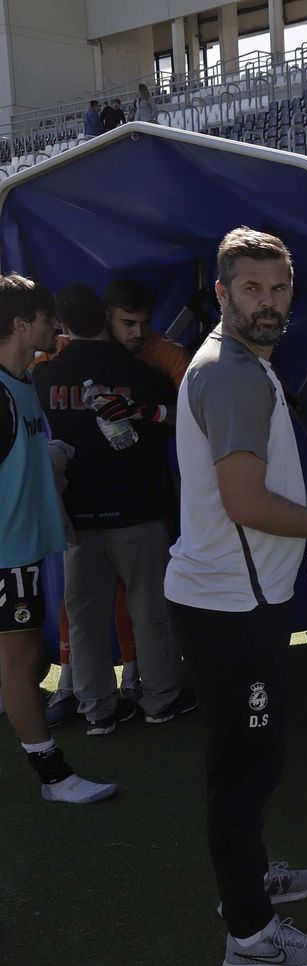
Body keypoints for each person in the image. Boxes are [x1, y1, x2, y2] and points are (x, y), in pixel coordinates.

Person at [165, 228, 307, 966]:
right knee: (246, 766)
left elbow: (257, 487)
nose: (269, 303)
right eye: (252, 289)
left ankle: (246, 881)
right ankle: (249, 937)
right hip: (230, 607)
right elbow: (246, 502)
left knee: (247, 759)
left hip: (230, 598)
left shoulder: (241, 365)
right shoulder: (233, 374)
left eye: (279, 289)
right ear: (222, 293)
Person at [31, 286, 191, 735]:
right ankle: (160, 698)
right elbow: (189, 414)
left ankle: (97, 707)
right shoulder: (138, 370)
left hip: (77, 516)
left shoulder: (43, 376)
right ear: (105, 317)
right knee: (150, 609)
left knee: (83, 617)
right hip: (138, 509)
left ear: (61, 323)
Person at [0, 273, 117, 803]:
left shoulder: (24, 382)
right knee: (22, 664)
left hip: (22, 550)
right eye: (48, 318)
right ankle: (53, 778)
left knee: (26, 662)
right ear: (23, 326)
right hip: (7, 554)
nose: (57, 326)